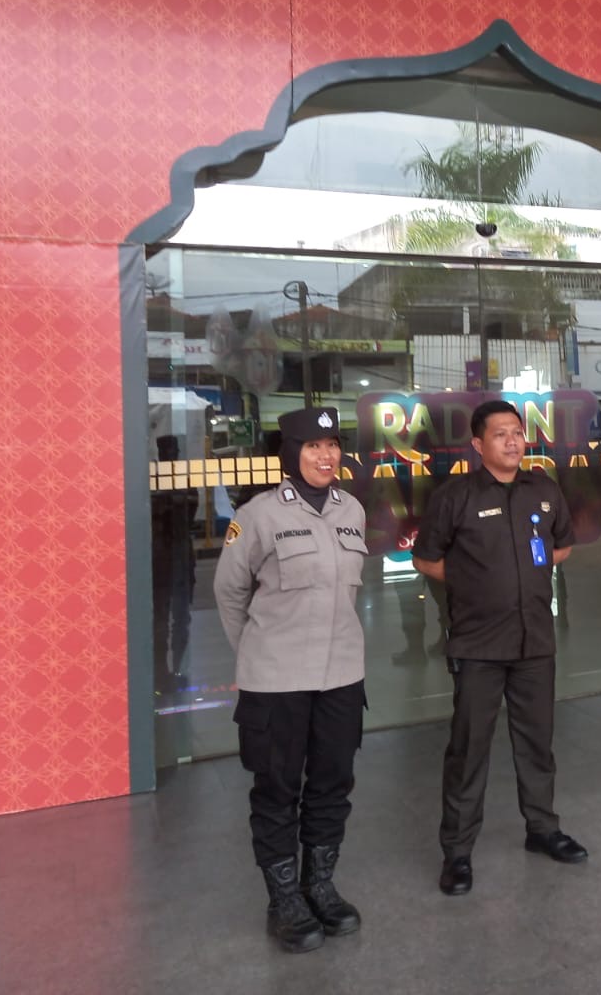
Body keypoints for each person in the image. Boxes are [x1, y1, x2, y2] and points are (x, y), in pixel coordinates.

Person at [411, 400, 588, 897]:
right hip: (478, 644)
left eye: (517, 432)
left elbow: (562, 545)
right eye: (500, 434)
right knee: (469, 749)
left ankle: (543, 829)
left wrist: (526, 570)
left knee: (537, 742)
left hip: (535, 640)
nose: (512, 441)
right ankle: (457, 852)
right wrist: (473, 580)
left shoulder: (543, 489)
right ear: (478, 444)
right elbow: (425, 558)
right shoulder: (456, 496)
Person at [213, 406, 367, 953]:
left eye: (333, 445)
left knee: (331, 784)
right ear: (291, 453)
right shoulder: (257, 515)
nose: (326, 456)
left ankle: (319, 886)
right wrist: (259, 652)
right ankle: (284, 900)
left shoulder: (352, 510)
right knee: (277, 789)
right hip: (276, 680)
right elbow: (229, 592)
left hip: (341, 674)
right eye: (313, 446)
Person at [150, 434, 196, 695]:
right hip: (163, 555)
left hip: (177, 554)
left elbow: (190, 512)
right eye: (167, 451)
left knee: (179, 617)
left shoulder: (183, 480)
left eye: (173, 451)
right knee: (162, 619)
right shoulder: (156, 480)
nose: (171, 455)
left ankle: (176, 670)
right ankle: (163, 672)